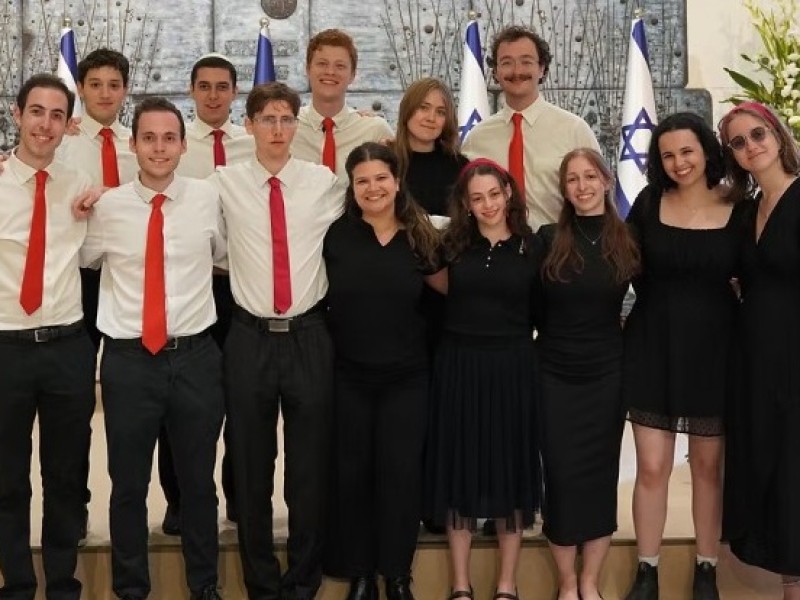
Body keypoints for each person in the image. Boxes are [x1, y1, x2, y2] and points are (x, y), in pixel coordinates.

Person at [80, 96, 226, 600]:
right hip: (128, 361)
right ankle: (131, 589)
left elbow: (227, 255)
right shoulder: (106, 206)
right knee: (127, 486)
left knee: (198, 485)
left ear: (184, 145)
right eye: (149, 138)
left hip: (195, 357)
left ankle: (205, 586)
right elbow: (75, 255)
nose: (159, 148)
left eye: (169, 138)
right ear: (133, 144)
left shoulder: (208, 199)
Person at [211, 81, 341, 600]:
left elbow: (385, 209)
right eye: (267, 119)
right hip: (249, 337)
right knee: (250, 464)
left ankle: (304, 580)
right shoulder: (223, 182)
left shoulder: (322, 180)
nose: (278, 130)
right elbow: (159, 190)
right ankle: (261, 583)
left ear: (297, 125)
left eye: (287, 119)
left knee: (309, 467)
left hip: (310, 335)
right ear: (249, 126)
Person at [622, 112, 744, 600]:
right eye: (668, 155)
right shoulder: (649, 203)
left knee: (708, 469)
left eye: (687, 151)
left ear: (707, 150)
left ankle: (706, 569)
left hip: (718, 347)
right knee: (651, 468)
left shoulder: (741, 205)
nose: (678, 163)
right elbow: (622, 264)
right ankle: (646, 571)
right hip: (653, 342)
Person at [323, 142, 446, 600]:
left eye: (381, 178)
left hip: (407, 378)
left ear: (397, 181)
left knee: (399, 475)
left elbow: (452, 291)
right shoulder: (335, 237)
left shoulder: (420, 238)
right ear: (352, 189)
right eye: (362, 181)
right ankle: (359, 574)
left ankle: (396, 573)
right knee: (353, 474)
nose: (372, 187)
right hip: (349, 376)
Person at [424, 158, 539, 600]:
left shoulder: (534, 246)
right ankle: (460, 584)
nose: (488, 204)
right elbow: (439, 286)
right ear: (465, 205)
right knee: (461, 467)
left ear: (508, 193)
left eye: (494, 194)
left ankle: (507, 584)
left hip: (512, 366)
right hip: (459, 365)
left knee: (510, 470)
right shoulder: (451, 245)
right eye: (477, 198)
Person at [0, 73, 95, 600]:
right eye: (36, 112)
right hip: (5, 345)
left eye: (57, 115)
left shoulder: (79, 183)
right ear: (17, 116)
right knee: (7, 480)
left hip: (65, 346)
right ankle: (16, 585)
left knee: (66, 476)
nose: (45, 124)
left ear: (67, 124)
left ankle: (62, 585)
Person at [536, 149, 639, 600]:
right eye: (572, 179)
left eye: (589, 176)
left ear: (605, 180)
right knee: (560, 475)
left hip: (606, 373)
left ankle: (592, 582)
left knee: (600, 475)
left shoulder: (630, 238)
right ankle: (567, 582)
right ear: (564, 189)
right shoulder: (545, 239)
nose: (582, 186)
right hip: (553, 372)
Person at [157, 52, 251, 535]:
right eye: (204, 86)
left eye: (222, 86)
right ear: (191, 90)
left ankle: (239, 497)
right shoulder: (170, 143)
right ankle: (179, 500)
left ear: (235, 92)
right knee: (182, 398)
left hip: (241, 288)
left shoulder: (256, 143)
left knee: (242, 398)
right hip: (189, 288)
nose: (213, 95)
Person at [718, 101, 800, 599]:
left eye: (757, 135)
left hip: (796, 353)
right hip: (755, 356)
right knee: (769, 462)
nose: (751, 146)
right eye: (738, 142)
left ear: (777, 134)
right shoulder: (745, 211)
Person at [461, 25, 600, 230]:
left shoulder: (574, 130)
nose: (517, 71)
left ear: (542, 68)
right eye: (506, 63)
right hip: (499, 254)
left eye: (526, 62)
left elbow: (599, 201)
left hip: (560, 251)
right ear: (496, 72)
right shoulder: (477, 138)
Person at [292, 28, 393, 189]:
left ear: (352, 75)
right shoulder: (288, 128)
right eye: (322, 64)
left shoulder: (374, 130)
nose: (330, 72)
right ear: (307, 69)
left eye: (340, 66)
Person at [392, 77, 468, 217]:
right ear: (407, 109)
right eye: (423, 108)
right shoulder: (385, 162)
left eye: (440, 112)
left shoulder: (460, 166)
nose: (431, 118)